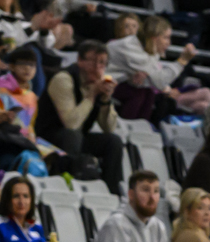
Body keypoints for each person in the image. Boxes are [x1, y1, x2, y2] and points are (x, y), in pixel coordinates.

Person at [33, 40, 122, 194]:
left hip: (76, 137)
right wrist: (92, 95)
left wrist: (105, 100)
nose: (97, 67)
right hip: (47, 138)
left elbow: (109, 127)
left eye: (102, 63)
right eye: (92, 61)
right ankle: (69, 188)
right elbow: (71, 123)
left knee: (113, 141)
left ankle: (111, 192)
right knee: (72, 135)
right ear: (79, 60)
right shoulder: (63, 79)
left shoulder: (97, 84)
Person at [106, 15, 195, 120]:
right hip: (102, 82)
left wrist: (147, 76)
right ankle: (126, 125)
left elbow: (153, 80)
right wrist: (182, 61)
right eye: (166, 37)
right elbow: (159, 81)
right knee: (138, 93)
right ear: (154, 38)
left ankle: (141, 126)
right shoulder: (130, 47)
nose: (169, 43)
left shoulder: (146, 47)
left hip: (117, 82)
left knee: (148, 92)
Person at [90, 170, 169, 242]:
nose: (152, 197)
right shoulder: (115, 225)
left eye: (156, 191)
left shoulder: (158, 226)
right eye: (145, 190)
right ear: (131, 194)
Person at [0, 176, 54, 242]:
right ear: (7, 200)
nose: (21, 201)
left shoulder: (38, 229)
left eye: (26, 196)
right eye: (16, 196)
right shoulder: (1, 227)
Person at [0, 46, 40, 143]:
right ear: (12, 66)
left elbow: (29, 125)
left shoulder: (31, 96)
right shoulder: (2, 89)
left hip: (22, 140)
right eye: (22, 64)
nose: (27, 68)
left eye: (32, 65)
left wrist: (31, 135)